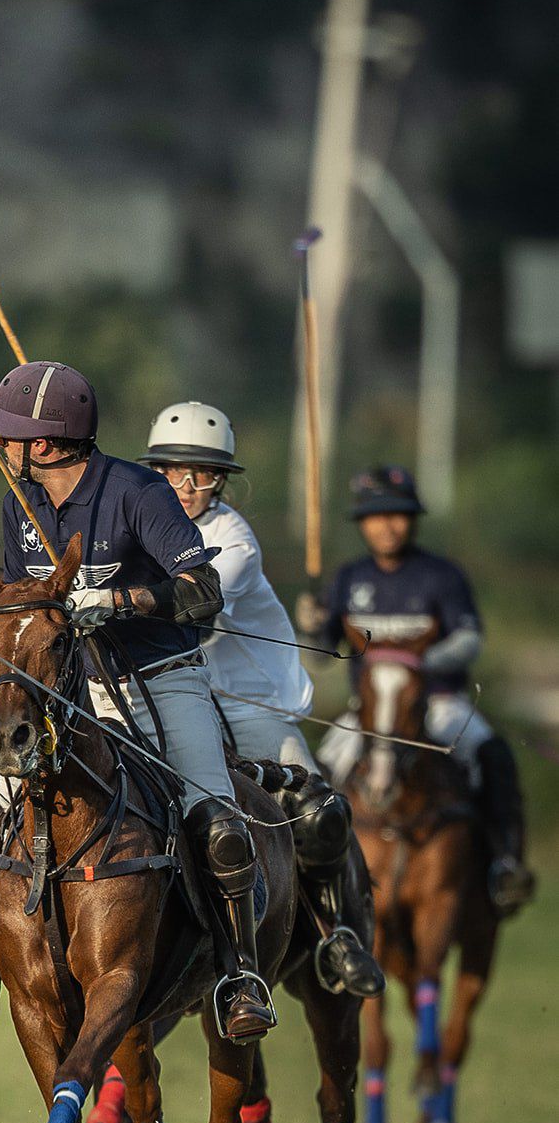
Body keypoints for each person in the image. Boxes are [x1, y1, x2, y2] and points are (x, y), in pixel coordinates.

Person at [0, 360, 277, 1042]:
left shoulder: (138, 492)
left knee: (216, 821)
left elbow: (202, 593)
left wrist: (117, 600)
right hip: (78, 689)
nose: (0, 446)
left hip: (163, 675)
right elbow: (29, 606)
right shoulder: (17, 504)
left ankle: (238, 975)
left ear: (46, 444)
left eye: (9, 435)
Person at [138, 401, 383, 996]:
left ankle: (337, 933)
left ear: (220, 480)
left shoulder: (232, 540)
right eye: (173, 470)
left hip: (244, 703)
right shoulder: (138, 523)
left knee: (319, 811)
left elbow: (192, 605)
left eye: (202, 474)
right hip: (160, 694)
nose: (187, 485)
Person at [297, 464, 535, 917]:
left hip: (440, 704)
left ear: (413, 520)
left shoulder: (441, 576)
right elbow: (321, 654)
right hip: (366, 713)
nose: (387, 525)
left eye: (398, 514)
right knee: (317, 771)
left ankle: (504, 861)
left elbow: (469, 640)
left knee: (494, 756)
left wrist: (412, 664)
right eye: (376, 515)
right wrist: (309, 626)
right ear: (363, 524)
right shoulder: (350, 578)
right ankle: (309, 868)